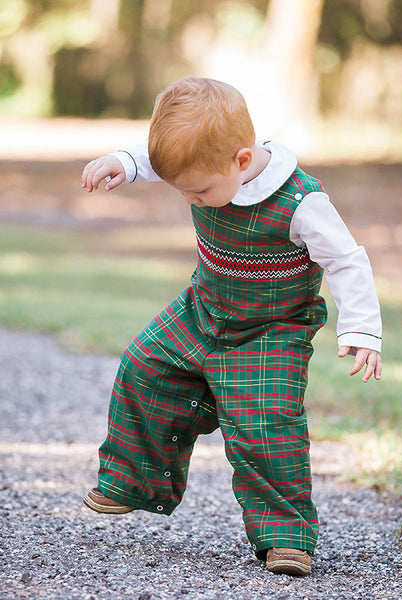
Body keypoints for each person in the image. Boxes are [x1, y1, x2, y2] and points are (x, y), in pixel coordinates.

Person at [81, 77, 382, 577]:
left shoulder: (301, 203)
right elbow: (162, 160)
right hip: (203, 310)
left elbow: (347, 262)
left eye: (199, 190)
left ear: (243, 161)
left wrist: (362, 330)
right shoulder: (207, 164)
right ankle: (132, 482)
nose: (191, 200)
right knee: (143, 365)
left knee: (266, 421)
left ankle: (286, 536)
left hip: (272, 331)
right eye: (182, 189)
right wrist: (124, 162)